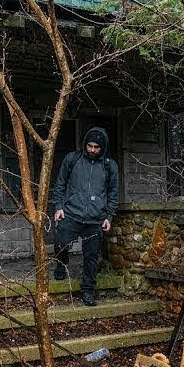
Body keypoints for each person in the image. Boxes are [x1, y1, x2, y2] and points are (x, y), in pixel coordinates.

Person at [49, 127, 118, 306]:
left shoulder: (110, 165)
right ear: (85, 144)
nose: (92, 150)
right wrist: (59, 207)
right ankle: (61, 263)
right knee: (60, 243)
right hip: (71, 213)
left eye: (96, 147)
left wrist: (109, 216)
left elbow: (113, 193)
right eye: (90, 146)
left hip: (95, 219)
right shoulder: (72, 159)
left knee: (91, 257)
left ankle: (88, 290)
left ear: (102, 148)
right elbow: (60, 184)